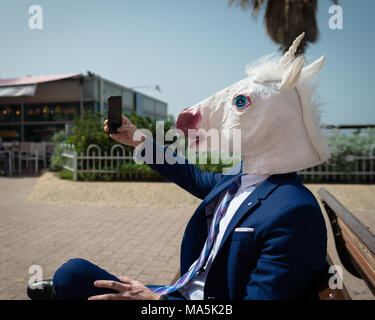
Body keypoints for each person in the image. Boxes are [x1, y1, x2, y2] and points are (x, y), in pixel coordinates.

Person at [27, 115, 327, 301]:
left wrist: (156, 304)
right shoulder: (245, 175)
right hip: (186, 288)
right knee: (72, 275)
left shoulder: (294, 210)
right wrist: (138, 140)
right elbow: (194, 176)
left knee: (73, 277)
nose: (230, 125)